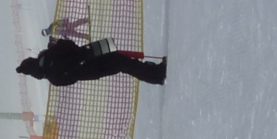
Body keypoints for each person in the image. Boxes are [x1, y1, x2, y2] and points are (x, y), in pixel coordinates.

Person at [18, 33, 166, 86]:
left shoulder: (53, 79)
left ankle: (155, 73)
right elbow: (70, 46)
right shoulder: (48, 55)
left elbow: (72, 80)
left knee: (123, 64)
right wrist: (59, 43)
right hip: (90, 53)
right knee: (123, 62)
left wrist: (75, 68)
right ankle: (157, 74)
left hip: (90, 72)